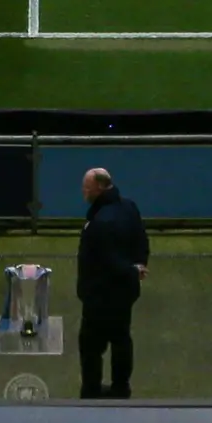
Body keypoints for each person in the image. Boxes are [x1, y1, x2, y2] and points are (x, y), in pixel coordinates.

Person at [76, 165, 148, 399]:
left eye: (86, 188)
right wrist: (138, 267)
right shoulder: (129, 208)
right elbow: (141, 242)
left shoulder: (100, 222)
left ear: (98, 188)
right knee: (121, 339)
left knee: (91, 346)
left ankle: (91, 390)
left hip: (100, 294)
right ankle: (121, 388)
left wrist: (127, 271)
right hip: (125, 293)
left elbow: (105, 260)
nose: (83, 192)